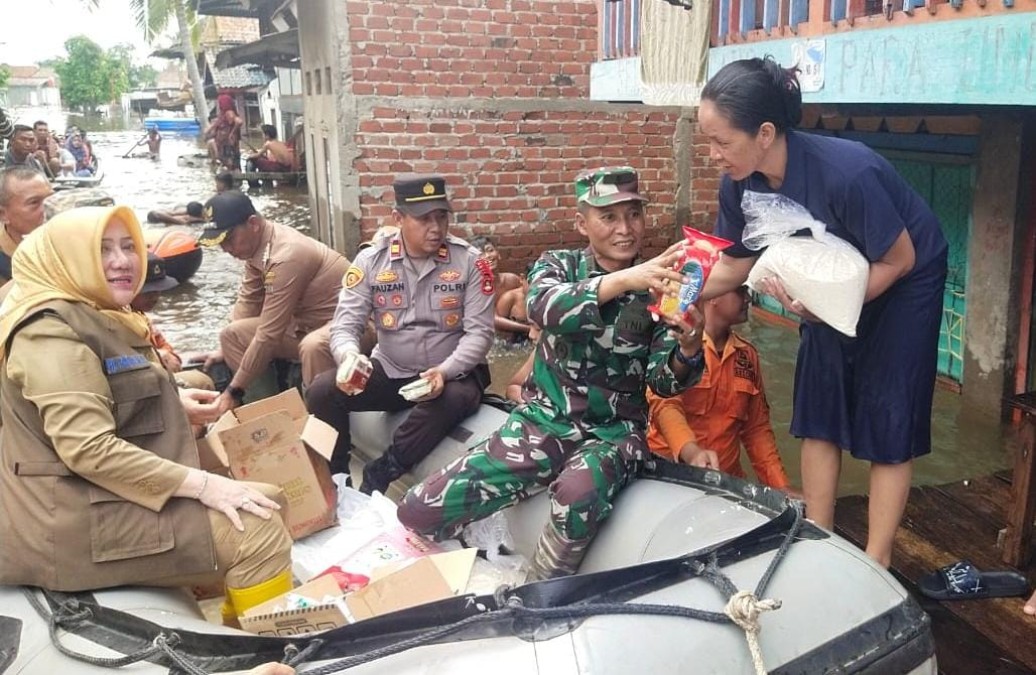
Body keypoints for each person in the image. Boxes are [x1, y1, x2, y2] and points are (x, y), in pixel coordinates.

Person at [697, 57, 948, 568]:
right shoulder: (740, 184)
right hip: (827, 288)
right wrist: (677, 288)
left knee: (889, 411)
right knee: (820, 401)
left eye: (722, 141)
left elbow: (900, 259)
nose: (713, 154)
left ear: (765, 132)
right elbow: (733, 264)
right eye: (708, 140)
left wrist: (828, 306)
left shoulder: (846, 172)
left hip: (904, 277)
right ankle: (819, 539)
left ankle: (876, 563)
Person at [397, 166, 706, 579]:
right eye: (609, 217)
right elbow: (542, 308)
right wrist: (624, 279)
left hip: (614, 433)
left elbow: (663, 381)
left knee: (578, 491)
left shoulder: (660, 286)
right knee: (416, 511)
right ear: (582, 223)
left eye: (633, 214)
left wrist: (688, 346)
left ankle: (541, 589)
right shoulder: (558, 265)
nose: (625, 229)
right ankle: (486, 526)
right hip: (543, 422)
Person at [0, 205, 294, 626]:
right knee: (258, 529)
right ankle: (270, 649)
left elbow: (108, 392)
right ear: (68, 258)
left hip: (92, 496)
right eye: (102, 250)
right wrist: (203, 485)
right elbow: (87, 449)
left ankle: (238, 628)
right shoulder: (49, 332)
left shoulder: (95, 311)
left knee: (274, 500)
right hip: (67, 520)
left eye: (126, 246)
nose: (121, 261)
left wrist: (176, 405)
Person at [305, 174, 494, 494]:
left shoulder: (470, 263)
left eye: (442, 216)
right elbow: (345, 325)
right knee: (322, 391)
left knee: (454, 398)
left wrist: (444, 372)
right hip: (392, 369)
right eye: (424, 219)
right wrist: (350, 356)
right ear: (398, 219)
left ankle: (384, 471)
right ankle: (339, 480)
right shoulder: (370, 261)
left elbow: (480, 333)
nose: (436, 228)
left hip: (450, 373)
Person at [198, 190, 348, 411]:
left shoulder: (287, 255)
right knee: (231, 336)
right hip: (305, 326)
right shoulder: (258, 250)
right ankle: (269, 416)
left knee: (312, 346)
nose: (227, 249)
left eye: (229, 239)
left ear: (254, 223)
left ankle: (319, 425)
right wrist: (224, 350)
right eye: (221, 244)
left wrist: (233, 390)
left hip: (348, 329)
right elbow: (248, 302)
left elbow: (269, 333)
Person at [646, 286, 793, 490]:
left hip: (725, 483)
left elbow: (756, 429)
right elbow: (664, 405)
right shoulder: (677, 345)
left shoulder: (747, 356)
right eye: (740, 291)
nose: (748, 297)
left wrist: (780, 488)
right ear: (712, 296)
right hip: (669, 478)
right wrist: (691, 452)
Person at [131, 252, 214, 391]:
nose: (155, 297)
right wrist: (155, 357)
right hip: (137, 385)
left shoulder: (141, 317)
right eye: (147, 292)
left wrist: (164, 354)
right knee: (201, 382)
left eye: (158, 290)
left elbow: (166, 348)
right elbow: (115, 364)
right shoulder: (117, 320)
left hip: (153, 376)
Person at [0, 167, 53, 285]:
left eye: (51, 199)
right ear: (3, 215)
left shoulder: (67, 240)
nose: (49, 208)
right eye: (34, 202)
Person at [205, 94, 244, 171]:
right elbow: (215, 124)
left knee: (230, 162)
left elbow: (239, 122)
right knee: (231, 162)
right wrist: (209, 130)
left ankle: (231, 177)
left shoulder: (229, 112)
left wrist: (231, 133)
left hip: (228, 144)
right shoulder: (223, 115)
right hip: (224, 143)